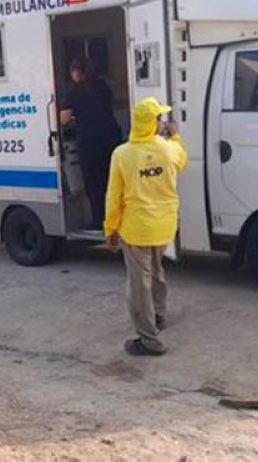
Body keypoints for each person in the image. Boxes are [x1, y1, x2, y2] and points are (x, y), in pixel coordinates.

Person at [104, 97, 187, 357]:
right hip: (164, 226)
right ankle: (159, 315)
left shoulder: (122, 154)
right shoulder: (167, 149)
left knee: (139, 284)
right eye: (158, 119)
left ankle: (150, 341)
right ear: (151, 124)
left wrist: (110, 229)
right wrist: (175, 137)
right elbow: (181, 160)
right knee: (156, 269)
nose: (162, 123)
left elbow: (113, 197)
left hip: (137, 229)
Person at [59, 56, 123, 231]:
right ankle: (117, 219)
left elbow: (64, 119)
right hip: (111, 138)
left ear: (76, 72)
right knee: (111, 181)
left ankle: (98, 221)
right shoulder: (103, 86)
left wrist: (74, 119)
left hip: (90, 142)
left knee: (94, 184)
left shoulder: (73, 91)